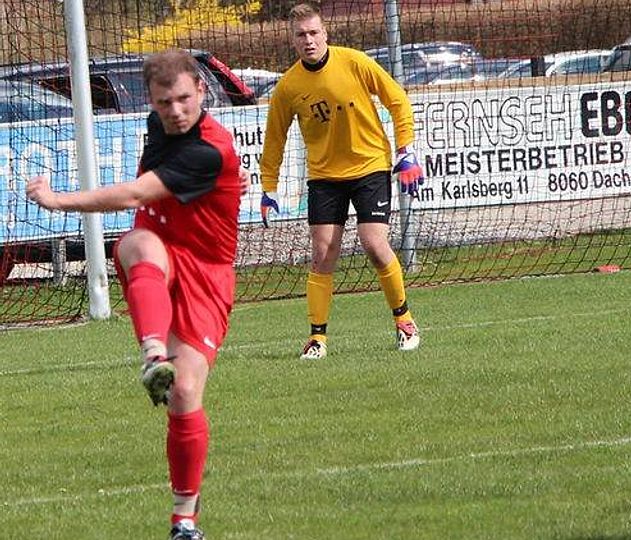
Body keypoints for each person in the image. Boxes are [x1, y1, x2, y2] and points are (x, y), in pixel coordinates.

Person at [26, 49, 243, 540]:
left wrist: (59, 201)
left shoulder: (209, 150)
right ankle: (152, 354)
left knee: (185, 393)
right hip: (161, 246)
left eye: (185, 98)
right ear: (151, 100)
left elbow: (135, 194)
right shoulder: (158, 124)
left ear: (202, 93)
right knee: (138, 243)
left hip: (207, 273)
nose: (176, 110)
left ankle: (184, 520)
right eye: (165, 101)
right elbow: (143, 208)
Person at [259, 1, 424, 360]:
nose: (309, 40)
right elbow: (275, 139)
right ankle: (317, 339)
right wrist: (268, 187)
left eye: (314, 32)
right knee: (321, 254)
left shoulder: (355, 62)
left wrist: (405, 149)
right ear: (293, 40)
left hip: (369, 166)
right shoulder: (288, 87)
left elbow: (397, 99)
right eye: (301, 35)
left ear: (325, 33)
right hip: (324, 177)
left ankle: (405, 323)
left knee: (373, 244)